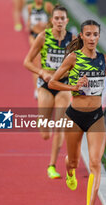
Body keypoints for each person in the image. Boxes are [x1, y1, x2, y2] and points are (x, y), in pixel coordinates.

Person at [48, 20, 106, 205]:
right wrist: (73, 88)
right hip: (74, 116)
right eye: (88, 34)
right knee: (74, 161)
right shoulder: (73, 58)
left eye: (96, 34)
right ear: (82, 36)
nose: (92, 38)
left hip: (96, 117)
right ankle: (69, 171)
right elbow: (53, 82)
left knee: (96, 163)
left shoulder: (104, 60)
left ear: (99, 37)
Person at [23, 5, 75, 179]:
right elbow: (27, 62)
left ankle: (51, 166)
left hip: (63, 87)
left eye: (63, 19)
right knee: (45, 134)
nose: (59, 21)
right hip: (45, 86)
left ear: (67, 21)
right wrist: (42, 72)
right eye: (56, 18)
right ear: (51, 21)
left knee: (60, 127)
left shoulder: (73, 40)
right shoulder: (43, 37)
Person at [26, 0, 54, 99]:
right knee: (36, 64)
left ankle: (47, 86)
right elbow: (29, 23)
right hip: (34, 37)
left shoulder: (48, 6)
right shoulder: (30, 7)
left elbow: (54, 19)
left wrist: (46, 25)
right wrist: (31, 26)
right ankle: (37, 89)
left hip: (45, 38)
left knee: (46, 64)